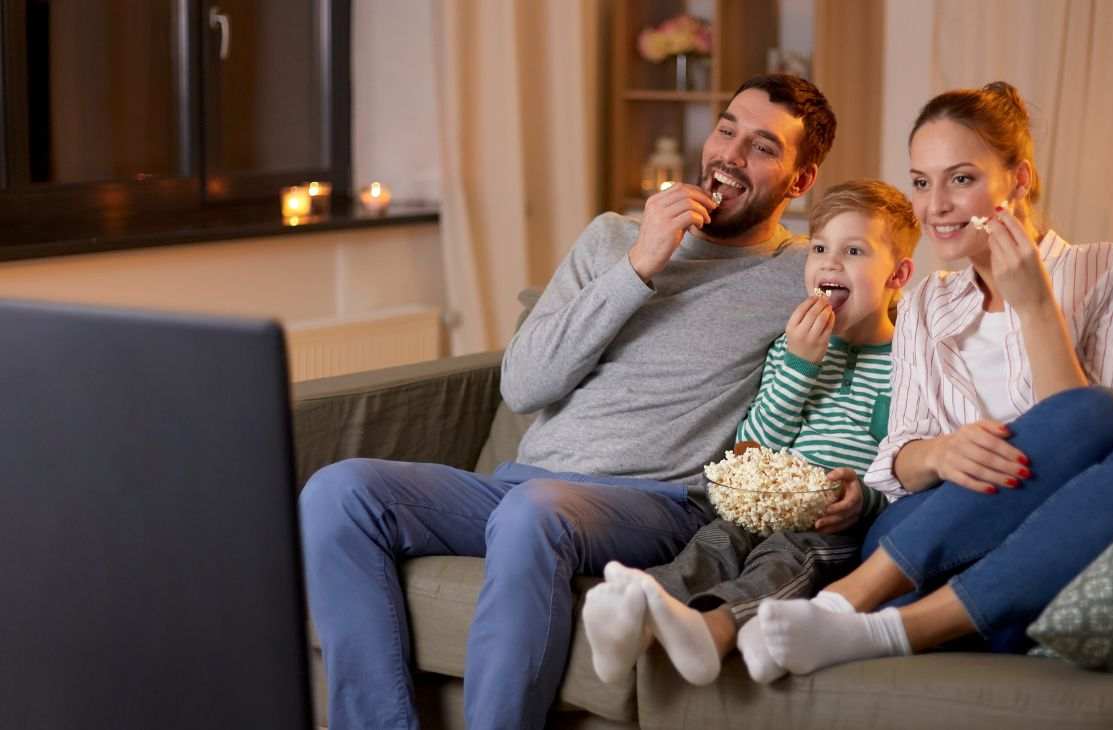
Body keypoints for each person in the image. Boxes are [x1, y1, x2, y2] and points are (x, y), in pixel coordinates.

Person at [297, 74, 835, 730]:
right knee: (338, 492)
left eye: (761, 147)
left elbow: (898, 307)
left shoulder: (801, 274)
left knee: (534, 512)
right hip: (526, 486)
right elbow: (524, 384)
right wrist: (638, 266)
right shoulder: (613, 239)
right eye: (725, 129)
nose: (729, 154)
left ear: (800, 180)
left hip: (658, 505)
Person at [744, 82, 1113, 677]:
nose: (935, 204)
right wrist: (941, 453)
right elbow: (897, 461)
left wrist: (1037, 306)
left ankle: (887, 625)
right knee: (1103, 412)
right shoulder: (922, 303)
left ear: (1018, 179)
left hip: (1051, 535)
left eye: (961, 179)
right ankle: (856, 596)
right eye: (920, 181)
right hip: (926, 534)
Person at [581, 179, 918, 687]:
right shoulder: (790, 349)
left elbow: (905, 470)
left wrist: (863, 502)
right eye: (820, 248)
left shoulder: (908, 366)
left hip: (832, 528)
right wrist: (800, 367)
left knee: (786, 557)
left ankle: (713, 627)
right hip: (766, 504)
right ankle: (635, 614)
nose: (830, 264)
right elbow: (753, 448)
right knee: (714, 541)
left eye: (853, 251)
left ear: (898, 274)